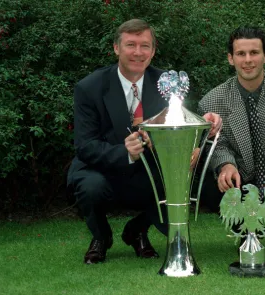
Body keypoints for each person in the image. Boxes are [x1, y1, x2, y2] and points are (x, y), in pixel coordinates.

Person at [68, 19, 222, 265]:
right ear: (116, 48)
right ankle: (101, 237)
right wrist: (125, 152)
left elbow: (180, 123)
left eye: (144, 46)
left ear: (153, 50)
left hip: (148, 169)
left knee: (178, 178)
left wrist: (204, 129)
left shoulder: (167, 83)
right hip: (102, 169)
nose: (138, 53)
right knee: (90, 187)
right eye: (131, 45)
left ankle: (137, 230)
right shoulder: (89, 87)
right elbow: (85, 146)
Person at [198, 26, 265, 212]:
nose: (248, 60)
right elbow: (217, 143)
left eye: (254, 52)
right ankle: (244, 231)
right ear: (231, 58)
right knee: (212, 187)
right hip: (240, 178)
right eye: (241, 54)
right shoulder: (212, 101)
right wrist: (225, 165)